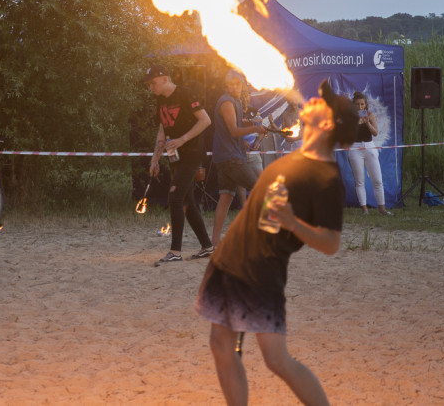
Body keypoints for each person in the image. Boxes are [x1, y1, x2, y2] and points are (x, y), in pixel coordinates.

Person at [194, 81, 356, 406]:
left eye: (320, 105)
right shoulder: (298, 157)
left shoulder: (325, 178)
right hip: (230, 259)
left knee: (276, 359)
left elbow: (331, 242)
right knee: (221, 344)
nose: (310, 103)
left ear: (326, 124)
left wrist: (294, 222)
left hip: (260, 270)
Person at [144, 65, 214, 266]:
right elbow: (162, 130)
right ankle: (207, 247)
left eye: (153, 83)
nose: (151, 87)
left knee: (175, 197)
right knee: (187, 202)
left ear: (165, 79)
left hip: (191, 153)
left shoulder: (185, 93)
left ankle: (175, 252)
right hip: (175, 156)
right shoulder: (160, 100)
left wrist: (183, 139)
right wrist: (155, 158)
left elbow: (205, 120)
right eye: (149, 84)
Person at [210, 70, 266, 245]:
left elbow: (236, 126)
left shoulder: (236, 102)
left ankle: (215, 241)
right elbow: (234, 131)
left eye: (238, 84)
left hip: (227, 155)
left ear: (242, 85)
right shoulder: (227, 102)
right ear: (227, 86)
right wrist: (255, 129)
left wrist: (252, 126)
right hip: (231, 157)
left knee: (226, 197)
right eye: (232, 84)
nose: (235, 87)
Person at [348, 91, 391, 215]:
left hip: (369, 147)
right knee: (360, 180)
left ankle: (382, 209)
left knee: (377, 180)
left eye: (362, 104)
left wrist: (366, 122)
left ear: (366, 104)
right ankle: (364, 209)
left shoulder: (370, 115)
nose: (360, 107)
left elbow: (375, 133)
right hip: (355, 148)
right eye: (357, 104)